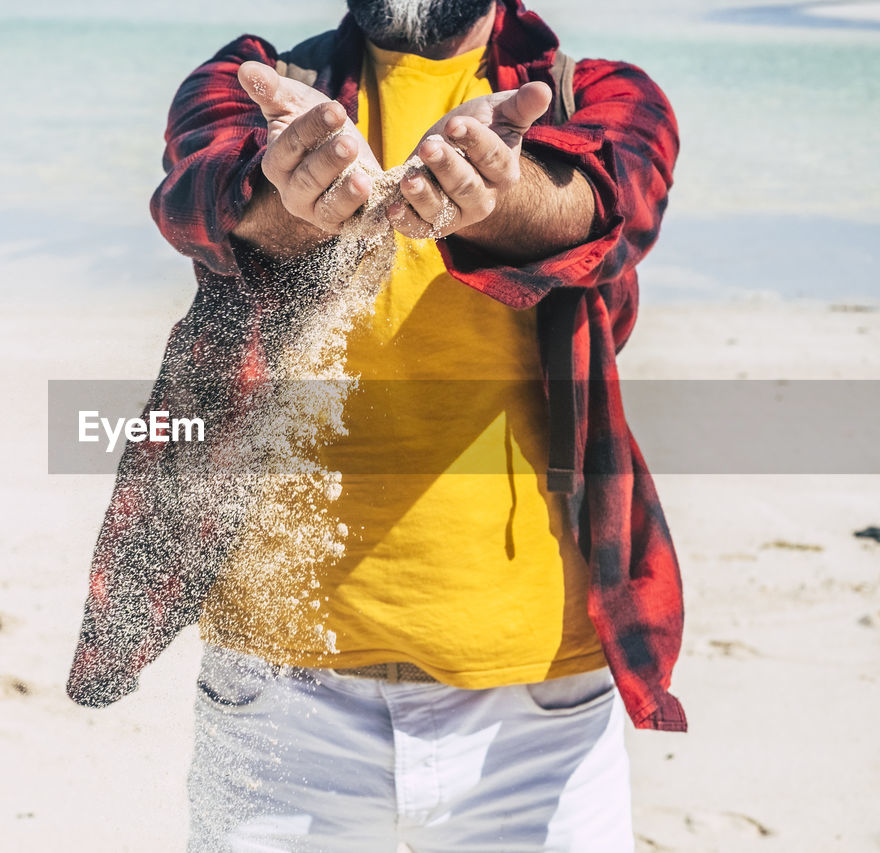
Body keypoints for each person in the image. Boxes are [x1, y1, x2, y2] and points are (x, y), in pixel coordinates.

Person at [67, 0, 686, 849]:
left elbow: (606, 205)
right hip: (277, 698)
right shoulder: (256, 85)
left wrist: (495, 190)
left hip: (539, 705)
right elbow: (204, 199)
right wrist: (292, 189)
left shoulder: (597, 95)